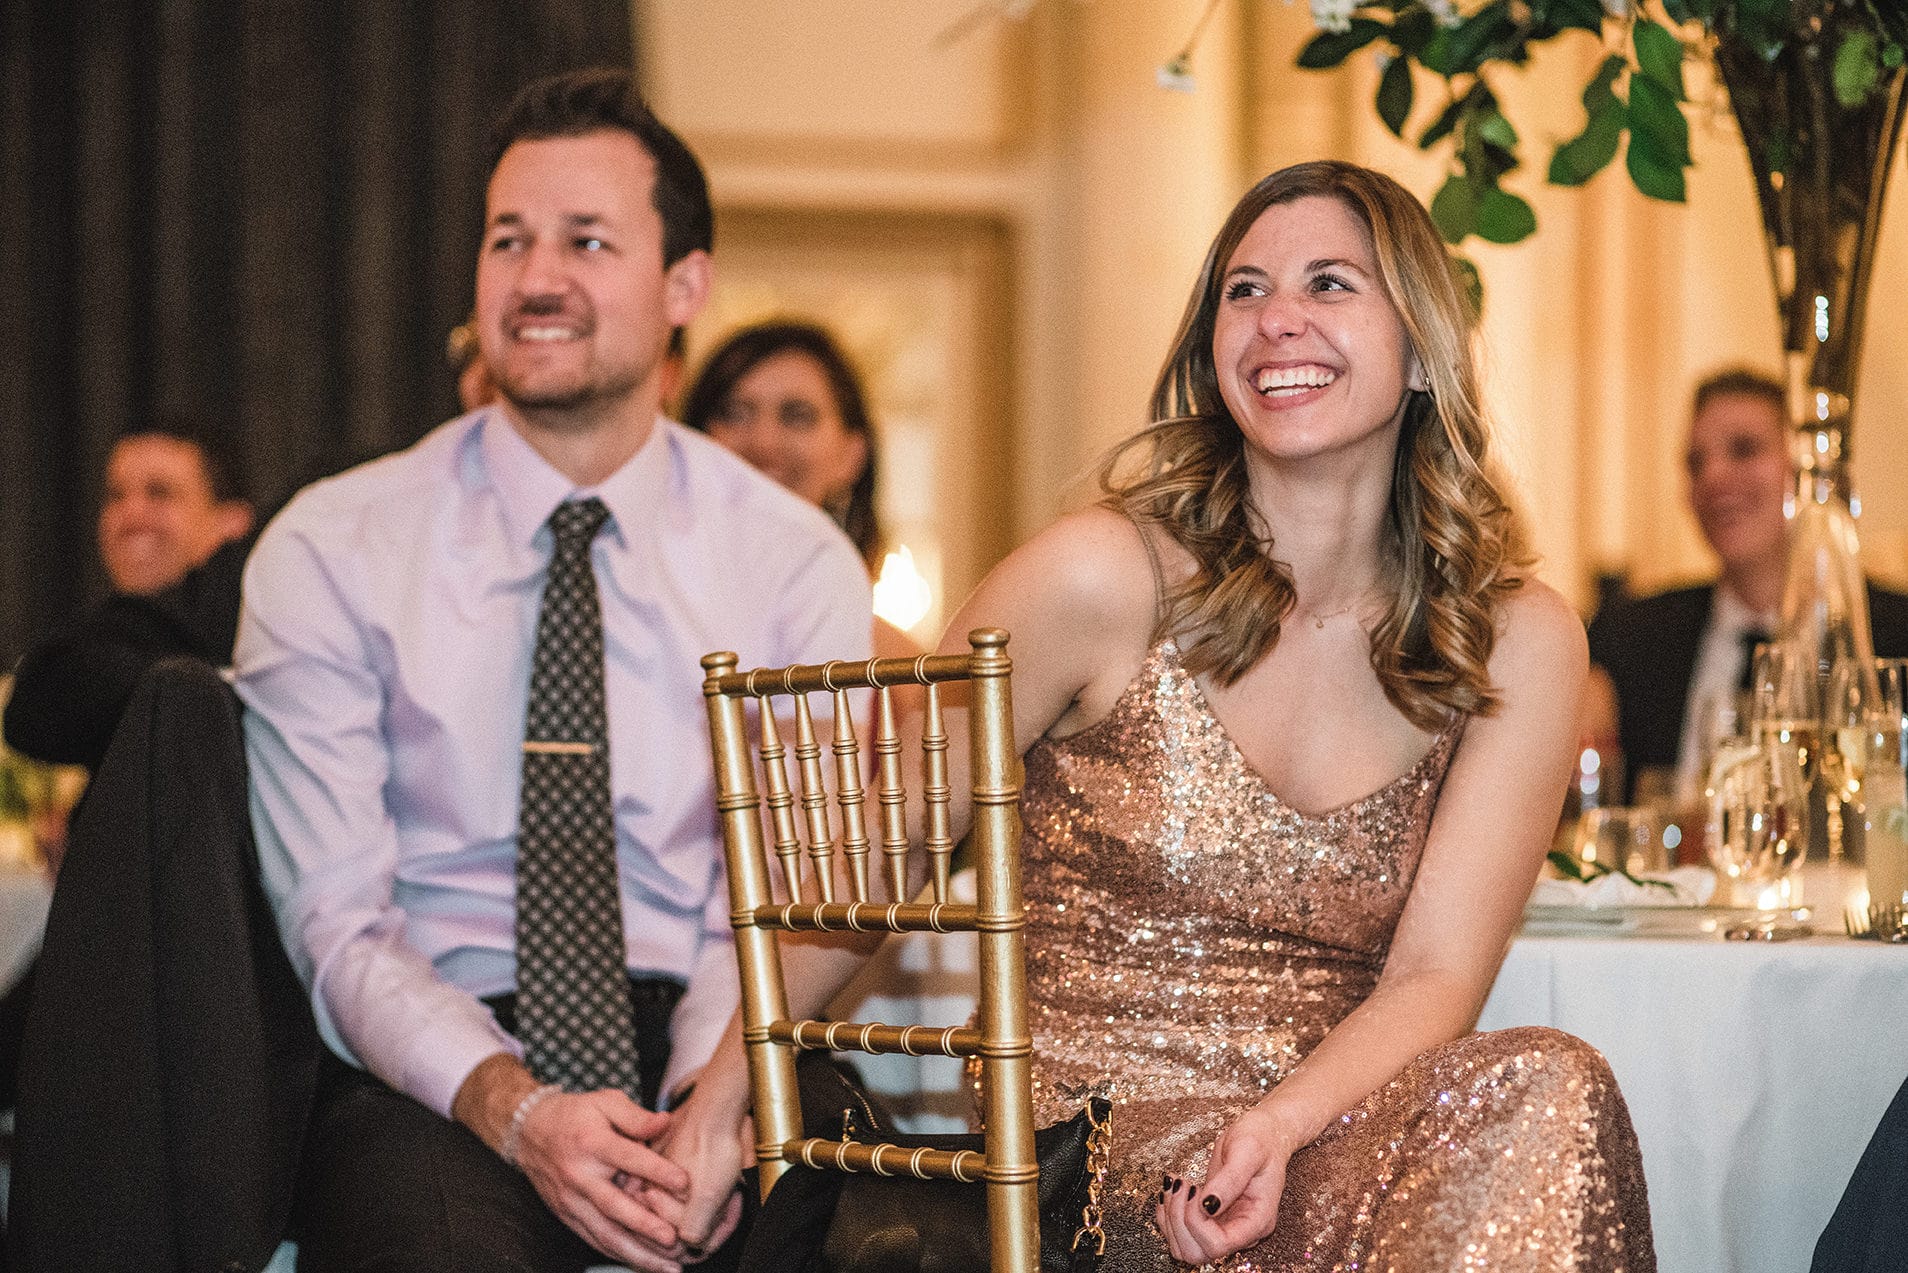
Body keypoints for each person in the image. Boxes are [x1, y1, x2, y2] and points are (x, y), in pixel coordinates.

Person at [664, 160, 1657, 1271]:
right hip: (1082, 1155)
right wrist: (719, 1101)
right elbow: (869, 867)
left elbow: (1436, 976)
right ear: (1211, 353)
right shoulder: (1099, 578)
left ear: (1422, 346)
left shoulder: (1515, 637)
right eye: (1244, 290)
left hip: (1321, 1127)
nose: (1279, 318)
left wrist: (1275, 1125)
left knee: (1552, 1080)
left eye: (1331, 283)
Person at [236, 69, 871, 1273]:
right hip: (435, 1060)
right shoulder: (333, 544)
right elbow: (336, 919)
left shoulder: (792, 561)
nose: (536, 280)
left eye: (587, 240)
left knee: (844, 1225)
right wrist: (514, 1109)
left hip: (712, 1032)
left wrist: (711, 1100)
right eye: (508, 239)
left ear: (686, 284)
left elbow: (790, 893)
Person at [1586, 367, 1908, 801]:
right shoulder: (1631, 637)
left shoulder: (1893, 631)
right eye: (1696, 462)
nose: (1713, 477)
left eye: (1744, 450)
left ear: (1804, 469)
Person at [4, 420, 255, 771]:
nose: (131, 516)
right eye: (116, 495)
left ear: (232, 524)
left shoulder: (256, 638)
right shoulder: (95, 648)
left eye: (160, 493)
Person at [680, 319, 918, 660]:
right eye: (734, 413)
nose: (763, 442)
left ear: (852, 454)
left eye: (797, 416)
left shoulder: (900, 672)